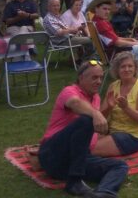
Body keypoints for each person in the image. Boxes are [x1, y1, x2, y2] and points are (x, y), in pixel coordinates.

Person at [38, 59, 129, 197]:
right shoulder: (69, 91)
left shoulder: (96, 97)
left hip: (76, 161)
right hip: (53, 155)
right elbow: (75, 103)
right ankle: (74, 182)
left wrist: (107, 109)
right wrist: (96, 113)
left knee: (120, 166)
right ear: (81, 78)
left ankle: (102, 193)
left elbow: (97, 125)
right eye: (94, 77)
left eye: (100, 77)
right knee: (86, 120)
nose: (99, 81)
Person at [93, 52, 138, 157]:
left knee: (90, 149)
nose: (127, 69)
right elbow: (101, 118)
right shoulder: (113, 86)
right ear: (117, 70)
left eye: (130, 66)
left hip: (132, 136)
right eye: (123, 66)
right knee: (81, 142)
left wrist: (126, 107)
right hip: (110, 131)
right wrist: (109, 107)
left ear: (135, 68)